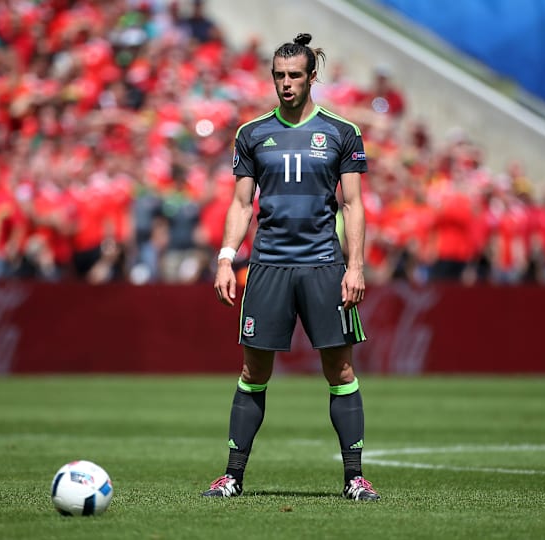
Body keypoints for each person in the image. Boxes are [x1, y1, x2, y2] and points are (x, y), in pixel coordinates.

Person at [202, 33, 380, 501]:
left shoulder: (343, 132)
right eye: (279, 76)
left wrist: (355, 266)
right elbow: (241, 204)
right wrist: (225, 258)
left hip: (323, 264)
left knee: (340, 371)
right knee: (253, 370)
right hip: (267, 266)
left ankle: (354, 479)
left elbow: (354, 204)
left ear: (312, 77)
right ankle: (232, 477)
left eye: (294, 75)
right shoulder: (251, 134)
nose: (285, 84)